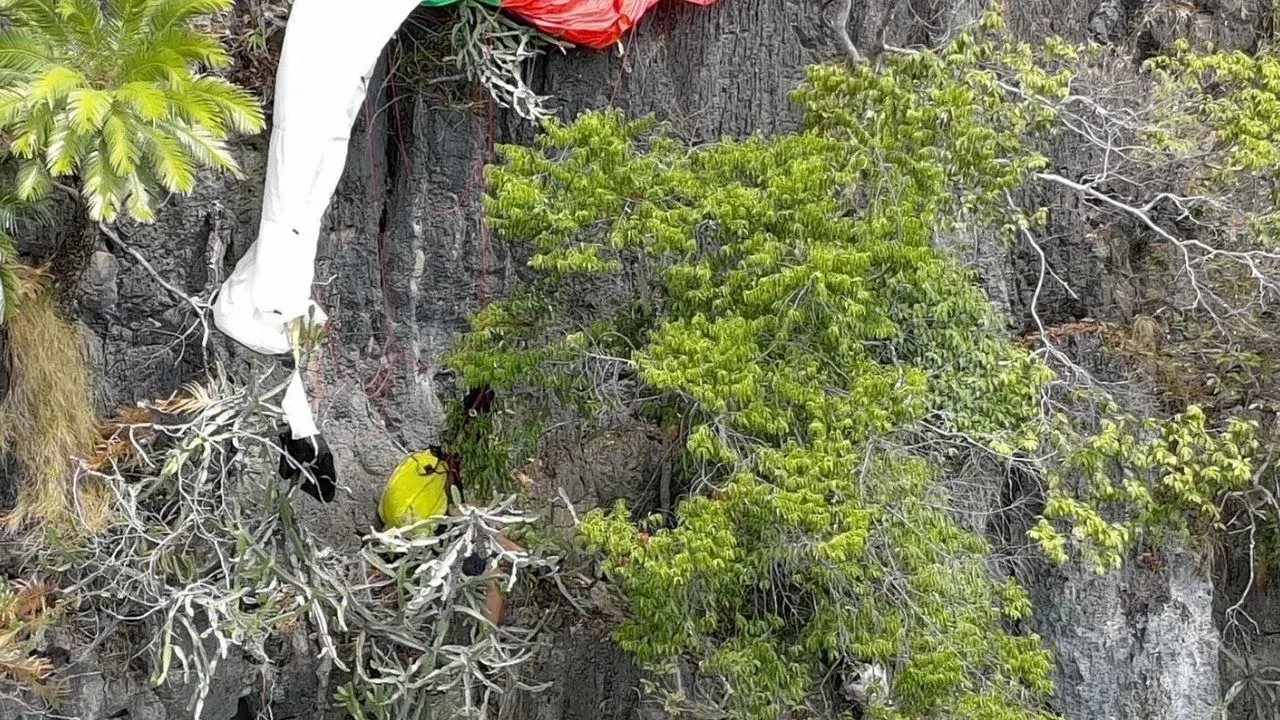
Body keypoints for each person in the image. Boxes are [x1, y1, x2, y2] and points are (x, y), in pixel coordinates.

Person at [376, 385, 523, 625]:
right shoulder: (464, 463)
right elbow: (463, 518)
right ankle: (487, 645)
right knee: (494, 579)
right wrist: (517, 552)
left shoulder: (439, 451)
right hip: (437, 538)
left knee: (495, 543)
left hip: (407, 530)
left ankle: (522, 557)